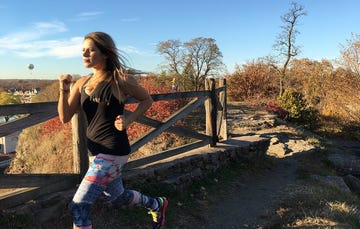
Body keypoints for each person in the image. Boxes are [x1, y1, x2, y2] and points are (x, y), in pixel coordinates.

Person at [57, 31, 168, 229]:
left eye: (91, 50)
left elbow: (147, 99)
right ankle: (157, 204)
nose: (85, 54)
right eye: (83, 50)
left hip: (114, 150)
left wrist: (129, 119)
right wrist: (63, 90)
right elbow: (65, 117)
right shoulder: (81, 83)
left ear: (106, 53)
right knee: (118, 197)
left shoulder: (121, 80)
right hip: (95, 152)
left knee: (79, 205)